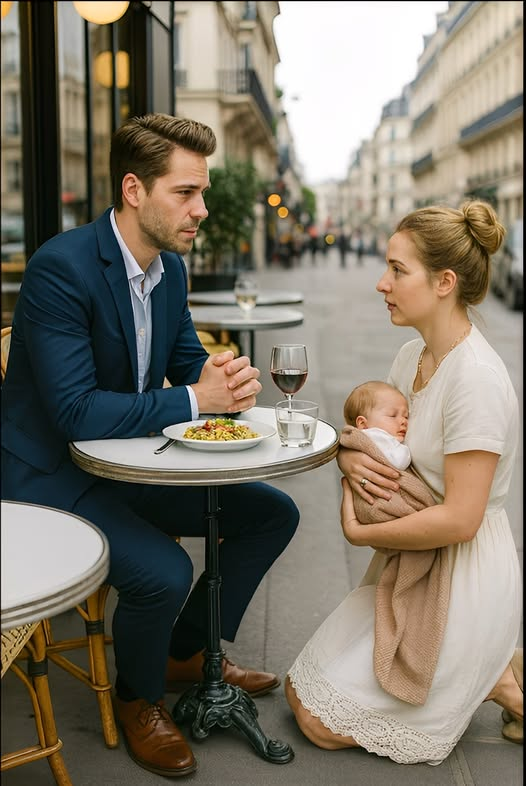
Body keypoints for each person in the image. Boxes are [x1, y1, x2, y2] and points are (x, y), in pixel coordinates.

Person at [1, 113, 300, 778]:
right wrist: (196, 399)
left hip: (124, 463)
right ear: (134, 190)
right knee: (163, 571)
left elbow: (188, 361)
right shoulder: (61, 269)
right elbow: (76, 412)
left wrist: (225, 379)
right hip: (52, 476)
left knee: (272, 514)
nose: (201, 209)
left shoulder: (169, 271)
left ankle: (180, 652)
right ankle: (139, 699)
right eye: (186, 192)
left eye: (203, 192)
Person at [285, 200, 523, 764]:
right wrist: (349, 457)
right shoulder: (412, 355)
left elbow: (461, 520)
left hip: (461, 572)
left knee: (319, 722)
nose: (381, 283)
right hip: (410, 563)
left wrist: (362, 533)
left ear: (444, 282)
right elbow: (383, 444)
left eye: (397, 269)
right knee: (299, 688)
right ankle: (496, 673)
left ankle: (493, 673)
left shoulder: (476, 380)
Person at [343, 380, 411, 470]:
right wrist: (404, 449)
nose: (403, 421)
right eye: (392, 415)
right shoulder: (376, 436)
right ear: (363, 424)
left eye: (406, 416)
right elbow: (399, 462)